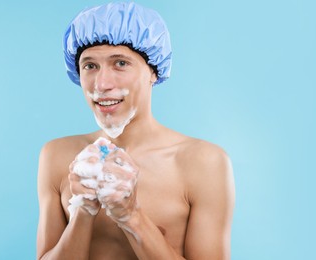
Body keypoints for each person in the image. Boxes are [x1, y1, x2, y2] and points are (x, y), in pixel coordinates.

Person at [36, 2, 235, 259]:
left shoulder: (203, 162)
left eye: (120, 63)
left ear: (153, 71)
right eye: (90, 66)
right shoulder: (57, 155)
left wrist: (131, 215)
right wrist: (82, 211)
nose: (102, 84)